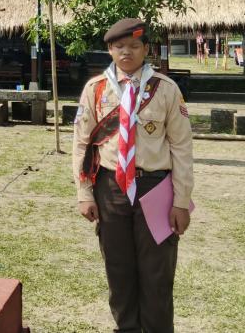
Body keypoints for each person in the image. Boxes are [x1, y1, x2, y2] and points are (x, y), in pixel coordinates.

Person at [73, 18, 193, 333]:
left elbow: (181, 147)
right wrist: (85, 192)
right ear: (110, 50)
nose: (127, 52)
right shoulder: (96, 89)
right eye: (119, 46)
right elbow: (83, 144)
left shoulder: (166, 90)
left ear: (146, 49)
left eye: (134, 46)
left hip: (155, 187)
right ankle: (125, 328)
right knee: (118, 269)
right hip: (110, 187)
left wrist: (181, 201)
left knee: (157, 272)